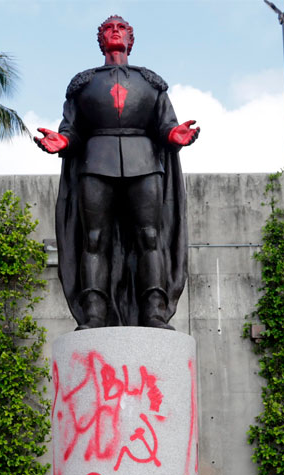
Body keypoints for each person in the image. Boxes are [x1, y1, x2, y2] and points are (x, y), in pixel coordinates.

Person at [35, 15, 199, 330]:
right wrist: (63, 140)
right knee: (94, 239)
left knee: (150, 237)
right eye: (108, 28)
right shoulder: (83, 83)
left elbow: (164, 125)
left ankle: (153, 311)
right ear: (101, 41)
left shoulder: (151, 82)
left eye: (120, 28)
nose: (114, 31)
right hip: (96, 162)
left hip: (144, 163)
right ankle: (94, 313)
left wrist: (174, 135)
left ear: (130, 40)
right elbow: (72, 130)